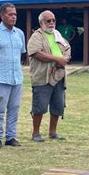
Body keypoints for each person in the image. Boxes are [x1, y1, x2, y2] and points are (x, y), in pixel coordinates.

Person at [0, 3, 26, 148]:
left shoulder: (19, 33)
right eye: (10, 14)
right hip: (0, 77)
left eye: (15, 14)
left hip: (17, 78)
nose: (13, 17)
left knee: (14, 108)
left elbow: (22, 54)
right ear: (2, 16)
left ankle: (11, 137)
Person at [28, 11, 71, 142]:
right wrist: (58, 59)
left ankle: (52, 132)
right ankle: (35, 133)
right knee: (39, 106)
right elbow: (37, 53)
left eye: (53, 20)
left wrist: (63, 60)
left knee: (58, 105)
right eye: (48, 21)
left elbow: (67, 50)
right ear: (41, 23)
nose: (51, 23)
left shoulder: (58, 35)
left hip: (58, 75)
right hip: (42, 76)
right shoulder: (36, 36)